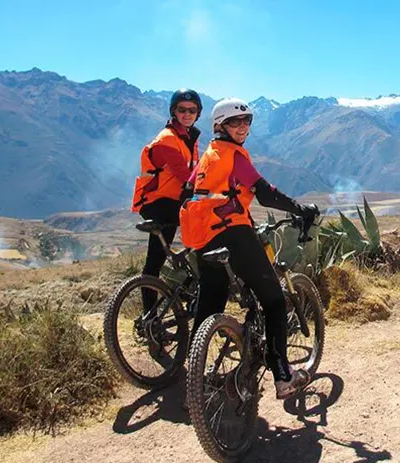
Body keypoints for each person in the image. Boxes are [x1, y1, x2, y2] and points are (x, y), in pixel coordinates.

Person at [179, 97, 320, 400]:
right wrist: (298, 208)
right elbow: (265, 193)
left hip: (203, 238)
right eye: (235, 122)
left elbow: (188, 191)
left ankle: (196, 378)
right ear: (220, 126)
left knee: (210, 304)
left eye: (247, 121)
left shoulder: (208, 156)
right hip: (233, 235)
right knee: (273, 300)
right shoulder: (233, 155)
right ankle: (282, 374)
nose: (242, 127)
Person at [131, 89, 202, 311]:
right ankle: (150, 316)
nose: (187, 114)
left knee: (165, 255)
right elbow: (188, 176)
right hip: (157, 203)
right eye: (182, 110)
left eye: (192, 110)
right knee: (154, 262)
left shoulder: (189, 139)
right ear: (174, 111)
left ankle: (188, 287)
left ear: (198, 113)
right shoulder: (167, 140)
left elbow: (199, 170)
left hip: (172, 201)